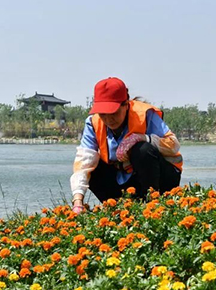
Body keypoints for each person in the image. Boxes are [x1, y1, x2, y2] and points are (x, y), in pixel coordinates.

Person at [70, 77, 183, 213]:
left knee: (142, 150)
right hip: (124, 181)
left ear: (126, 104)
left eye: (113, 113)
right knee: (92, 165)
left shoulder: (145, 115)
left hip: (161, 179)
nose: (108, 119)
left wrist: (144, 138)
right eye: (103, 114)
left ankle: (152, 205)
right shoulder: (93, 123)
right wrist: (78, 201)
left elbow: (173, 145)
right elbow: (83, 163)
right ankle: (117, 209)